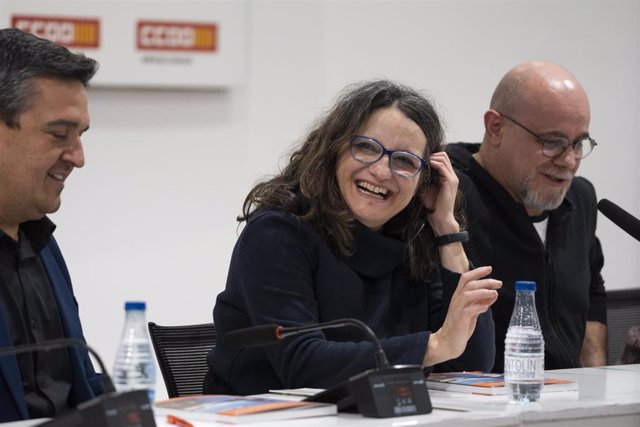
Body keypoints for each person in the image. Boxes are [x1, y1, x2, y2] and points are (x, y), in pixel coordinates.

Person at [204, 80, 502, 395]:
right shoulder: (277, 233)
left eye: (404, 161)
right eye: (367, 148)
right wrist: (435, 345)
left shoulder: (419, 239)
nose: (382, 171)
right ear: (334, 149)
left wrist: (446, 229)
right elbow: (302, 365)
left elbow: (472, 366)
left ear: (424, 180)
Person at [446, 61, 607, 372]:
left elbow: (592, 291)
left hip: (567, 402)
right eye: (553, 143)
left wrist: (595, 383)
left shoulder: (581, 198)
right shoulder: (447, 193)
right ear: (496, 128)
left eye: (578, 143)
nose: (569, 161)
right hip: (478, 401)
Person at [0, 28, 103, 421]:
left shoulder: (41, 242)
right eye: (59, 134)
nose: (78, 158)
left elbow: (81, 385)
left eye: (80, 136)